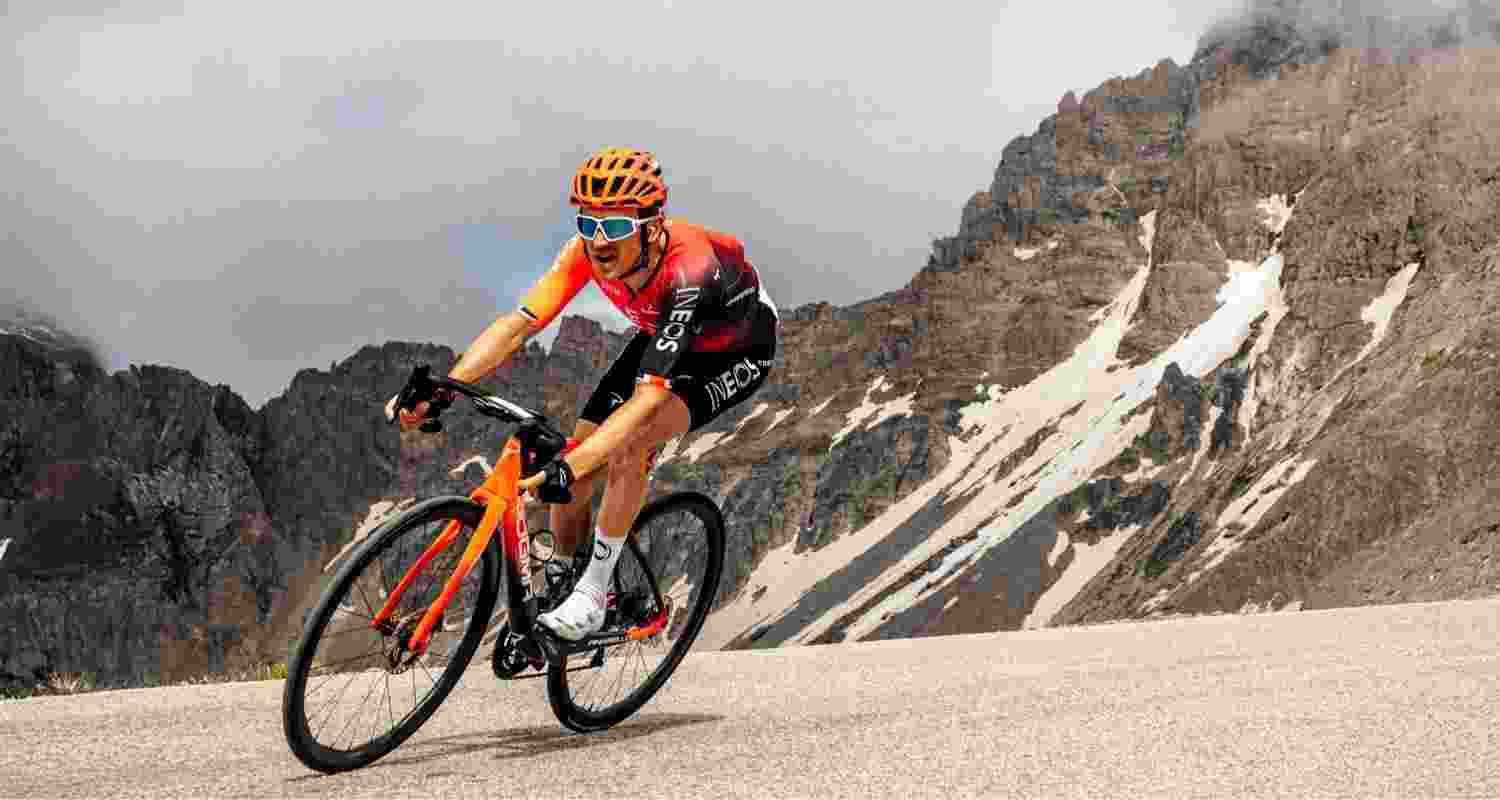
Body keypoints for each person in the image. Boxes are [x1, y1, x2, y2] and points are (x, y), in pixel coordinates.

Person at [394, 147, 779, 640]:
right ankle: (563, 576)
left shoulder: (691, 270)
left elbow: (645, 405)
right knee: (576, 462)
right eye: (588, 223)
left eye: (615, 227)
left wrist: (572, 467)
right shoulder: (585, 252)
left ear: (651, 225)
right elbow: (518, 326)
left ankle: (594, 594)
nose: (599, 241)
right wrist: (448, 387)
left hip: (733, 353)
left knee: (629, 447)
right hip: (665, 333)